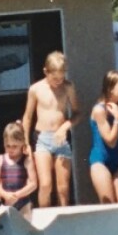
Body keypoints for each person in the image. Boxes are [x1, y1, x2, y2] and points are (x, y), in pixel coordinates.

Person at [22, 51, 80, 208]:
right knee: (46, 184)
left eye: (61, 77)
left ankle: (63, 220)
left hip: (61, 137)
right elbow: (27, 117)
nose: (58, 81)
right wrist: (26, 142)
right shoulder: (36, 89)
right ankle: (44, 220)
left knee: (63, 189)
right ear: (45, 72)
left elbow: (77, 113)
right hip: (42, 138)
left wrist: (66, 126)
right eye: (55, 78)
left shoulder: (68, 87)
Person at [89, 70, 118, 204]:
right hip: (100, 161)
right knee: (110, 208)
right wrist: (117, 119)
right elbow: (110, 141)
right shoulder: (99, 110)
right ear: (110, 89)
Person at [0, 122, 38, 217]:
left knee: (24, 229)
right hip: (6, 203)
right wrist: (5, 194)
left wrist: (18, 194)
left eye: (14, 146)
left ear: (22, 143)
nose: (11, 149)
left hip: (23, 204)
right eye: (8, 146)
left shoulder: (27, 160)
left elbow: (33, 184)